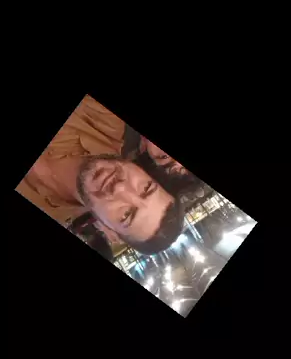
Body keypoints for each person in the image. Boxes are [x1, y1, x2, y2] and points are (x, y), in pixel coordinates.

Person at [16, 95, 184, 253]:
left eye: (126, 215)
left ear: (111, 231)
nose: (120, 188)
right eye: (146, 187)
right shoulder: (103, 117)